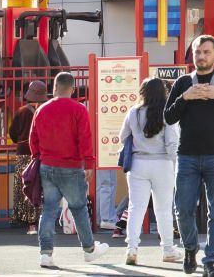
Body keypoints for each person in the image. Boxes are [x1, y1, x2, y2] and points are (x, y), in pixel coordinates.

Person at [164, 34, 214, 277]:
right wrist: (185, 97)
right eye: (197, 52)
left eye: (206, 52)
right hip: (187, 155)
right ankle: (190, 248)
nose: (201, 56)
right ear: (193, 54)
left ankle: (211, 259)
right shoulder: (182, 82)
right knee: (182, 208)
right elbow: (169, 117)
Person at [30, 72, 111, 268]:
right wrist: (89, 163)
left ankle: (46, 254)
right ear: (73, 89)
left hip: (47, 166)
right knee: (78, 208)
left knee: (49, 209)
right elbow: (85, 138)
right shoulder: (79, 109)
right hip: (72, 167)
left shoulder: (41, 109)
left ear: (54, 87)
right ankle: (89, 250)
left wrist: (38, 158)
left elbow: (33, 139)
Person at [119, 77, 182, 266]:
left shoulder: (133, 112)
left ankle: (131, 249)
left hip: (138, 163)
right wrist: (175, 165)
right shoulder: (167, 114)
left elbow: (123, 137)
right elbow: (172, 144)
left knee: (135, 208)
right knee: (163, 209)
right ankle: (168, 249)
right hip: (162, 164)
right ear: (163, 93)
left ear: (143, 92)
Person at [9, 80, 47, 234]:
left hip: (23, 152)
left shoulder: (21, 111)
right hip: (40, 153)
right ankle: (38, 219)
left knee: (24, 185)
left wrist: (19, 140)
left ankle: (24, 219)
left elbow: (12, 133)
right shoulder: (45, 110)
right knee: (39, 186)